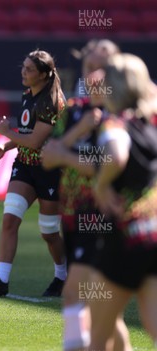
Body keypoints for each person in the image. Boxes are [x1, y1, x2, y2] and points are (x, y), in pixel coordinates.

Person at [41, 40, 130, 351]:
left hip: (109, 215)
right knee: (103, 311)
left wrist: (67, 156)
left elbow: (110, 166)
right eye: (89, 68)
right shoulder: (76, 112)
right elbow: (47, 156)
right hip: (76, 213)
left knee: (74, 294)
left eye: (102, 69)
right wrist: (76, 136)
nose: (94, 76)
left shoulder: (126, 115)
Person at [0, 50, 67, 297]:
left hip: (50, 170)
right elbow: (27, 133)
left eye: (29, 69)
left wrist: (6, 133)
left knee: (48, 232)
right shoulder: (29, 95)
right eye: (23, 67)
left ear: (44, 74)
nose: (23, 72)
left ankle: (62, 276)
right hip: (25, 167)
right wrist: (5, 147)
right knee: (9, 220)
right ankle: (1, 280)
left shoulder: (52, 102)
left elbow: (36, 140)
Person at [86, 53, 157, 350]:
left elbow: (116, 155)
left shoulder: (116, 124)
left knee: (99, 339)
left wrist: (101, 184)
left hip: (125, 239)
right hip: (153, 235)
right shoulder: (152, 124)